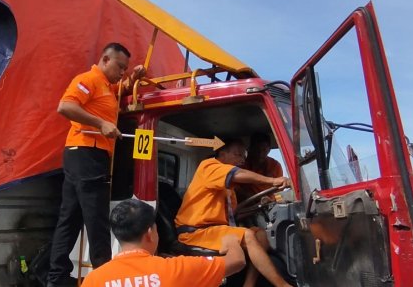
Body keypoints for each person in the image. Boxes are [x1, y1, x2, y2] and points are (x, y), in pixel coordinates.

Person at [47, 43, 146, 287]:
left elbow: (120, 89)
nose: (122, 72)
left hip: (80, 154)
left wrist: (133, 77)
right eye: (120, 66)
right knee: (97, 219)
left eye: (125, 68)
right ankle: (105, 278)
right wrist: (101, 123)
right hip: (88, 153)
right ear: (104, 59)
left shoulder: (107, 86)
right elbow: (65, 106)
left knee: (69, 219)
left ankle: (56, 279)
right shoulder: (89, 79)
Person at [175, 138, 292, 287]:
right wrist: (272, 181)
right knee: (248, 235)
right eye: (237, 155)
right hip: (196, 232)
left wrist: (257, 207)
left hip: (216, 230)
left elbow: (232, 214)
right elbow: (237, 174)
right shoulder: (209, 166)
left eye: (243, 156)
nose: (242, 160)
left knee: (261, 234)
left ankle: (249, 283)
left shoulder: (228, 188)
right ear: (222, 153)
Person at [81, 199, 246, 287]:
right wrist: (230, 239)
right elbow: (237, 261)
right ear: (150, 234)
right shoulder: (179, 268)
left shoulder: (94, 280)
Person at [237, 133, 284, 200]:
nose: (260, 153)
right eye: (257, 149)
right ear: (250, 149)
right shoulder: (241, 165)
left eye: (264, 150)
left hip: (268, 204)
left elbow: (278, 190)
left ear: (269, 149)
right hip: (245, 204)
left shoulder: (275, 165)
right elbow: (236, 188)